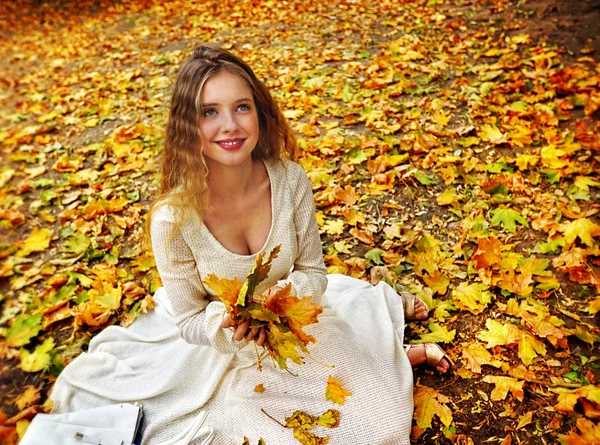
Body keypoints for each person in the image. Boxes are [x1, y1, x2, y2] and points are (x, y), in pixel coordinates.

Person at [50, 46, 452, 445]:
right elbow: (189, 318)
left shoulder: (290, 180)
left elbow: (312, 272)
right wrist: (226, 324)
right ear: (187, 125)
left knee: (378, 423)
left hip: (294, 321)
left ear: (259, 112)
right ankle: (389, 349)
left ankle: (392, 351)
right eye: (209, 111)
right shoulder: (173, 219)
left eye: (241, 107)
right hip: (226, 347)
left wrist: (286, 300)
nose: (230, 125)